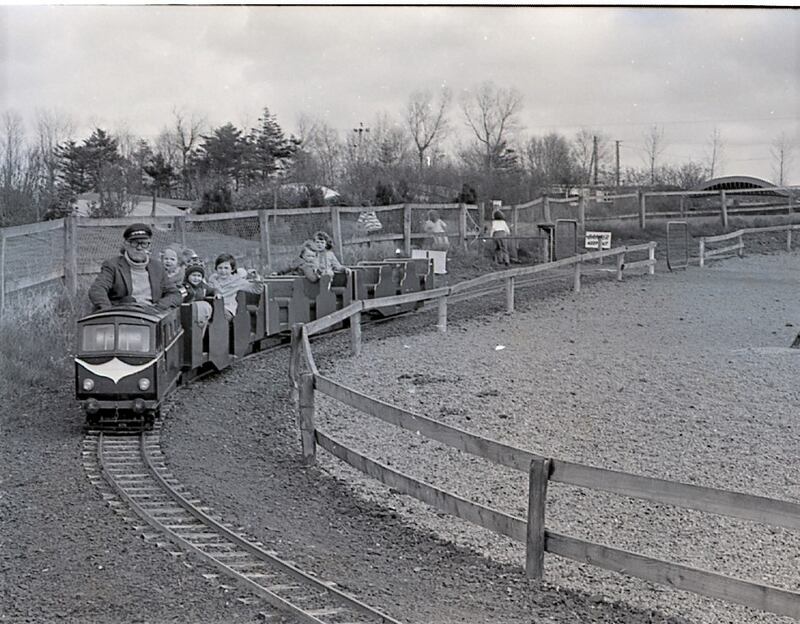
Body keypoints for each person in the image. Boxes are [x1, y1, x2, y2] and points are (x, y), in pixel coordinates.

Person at [88, 223, 181, 312]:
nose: (139, 248)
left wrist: (160, 307)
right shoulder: (113, 265)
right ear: (126, 244)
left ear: (149, 246)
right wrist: (107, 311)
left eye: (144, 244)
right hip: (123, 315)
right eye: (134, 243)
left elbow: (175, 294)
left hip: (152, 314)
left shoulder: (158, 267)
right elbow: (97, 289)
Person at [206, 253, 262, 321]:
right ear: (216, 269)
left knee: (218, 313)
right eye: (220, 268)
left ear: (232, 269)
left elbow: (257, 290)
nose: (223, 271)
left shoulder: (237, 281)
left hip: (228, 309)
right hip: (214, 307)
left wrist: (257, 279)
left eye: (226, 268)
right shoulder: (213, 280)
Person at [182, 264, 218, 329]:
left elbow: (212, 290)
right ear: (188, 276)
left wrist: (216, 293)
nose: (196, 278)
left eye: (199, 276)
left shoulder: (203, 286)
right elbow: (180, 297)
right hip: (187, 312)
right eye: (193, 275)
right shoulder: (185, 287)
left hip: (200, 312)